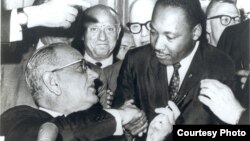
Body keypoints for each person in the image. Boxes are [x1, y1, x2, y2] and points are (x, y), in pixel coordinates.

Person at [113, 0, 235, 139]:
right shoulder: (135, 60)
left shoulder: (221, 66)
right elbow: (118, 119)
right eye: (153, 32)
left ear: (195, 32)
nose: (157, 45)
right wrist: (126, 125)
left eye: (169, 37)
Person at [0, 43, 145, 141]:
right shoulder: (16, 119)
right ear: (53, 82)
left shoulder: (101, 127)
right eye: (81, 67)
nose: (95, 75)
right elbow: (62, 131)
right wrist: (120, 115)